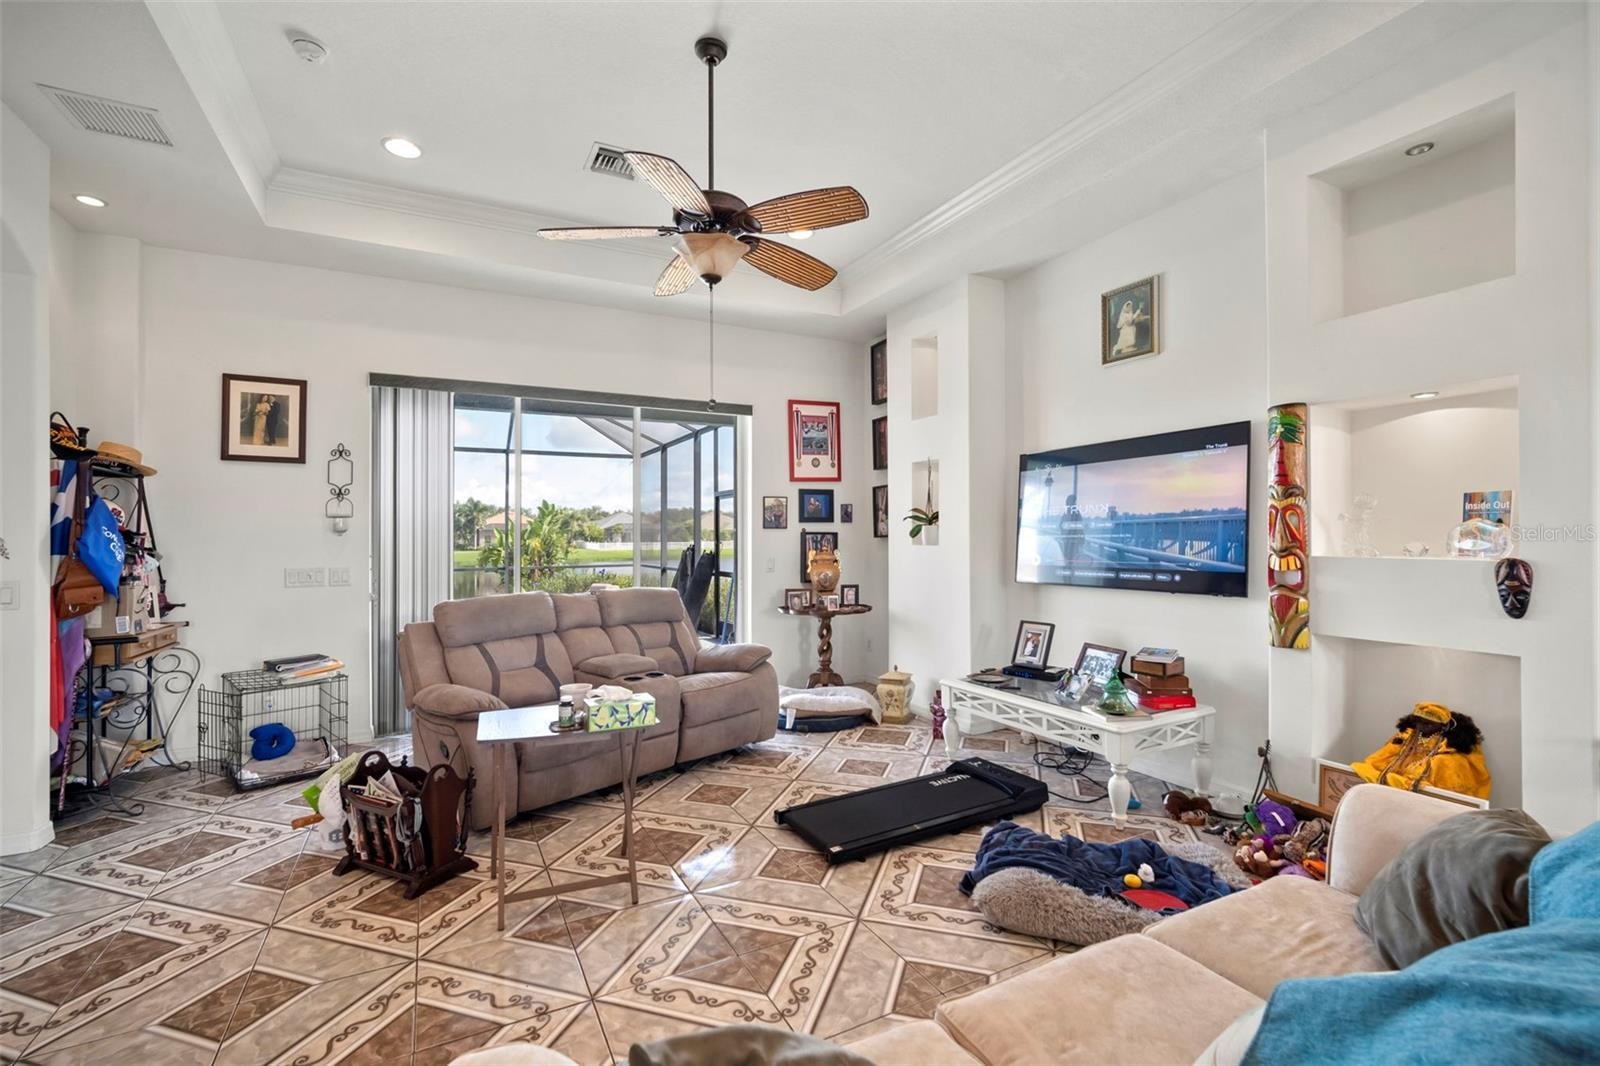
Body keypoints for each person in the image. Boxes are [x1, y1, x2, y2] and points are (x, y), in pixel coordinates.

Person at [1058, 494, 1084, 565]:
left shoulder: (1072, 513)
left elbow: (1079, 527)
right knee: (1069, 559)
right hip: (1070, 541)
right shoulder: (1070, 513)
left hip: (1071, 541)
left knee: (1070, 559)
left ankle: (1069, 567)